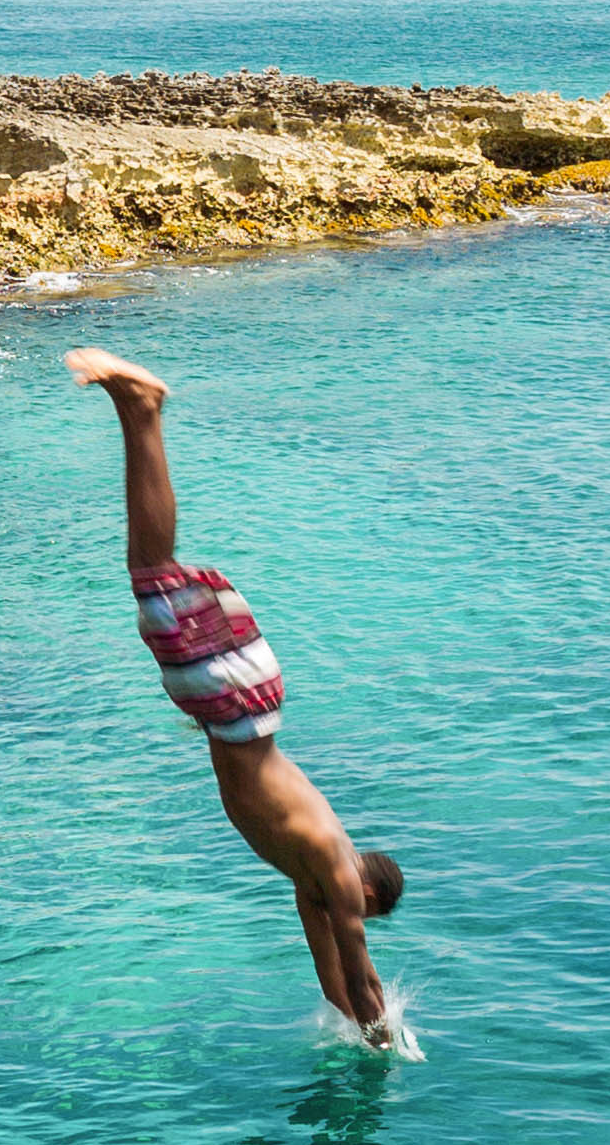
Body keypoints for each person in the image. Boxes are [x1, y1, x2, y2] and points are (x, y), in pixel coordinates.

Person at [66, 348, 414, 1050]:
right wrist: (389, 1050)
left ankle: (134, 410)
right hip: (235, 708)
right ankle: (141, 408)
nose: (353, 916)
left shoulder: (312, 871)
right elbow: (360, 971)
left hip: (241, 707)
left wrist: (353, 1029)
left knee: (152, 575)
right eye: (365, 914)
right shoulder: (337, 872)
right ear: (369, 896)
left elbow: (331, 977)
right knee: (152, 571)